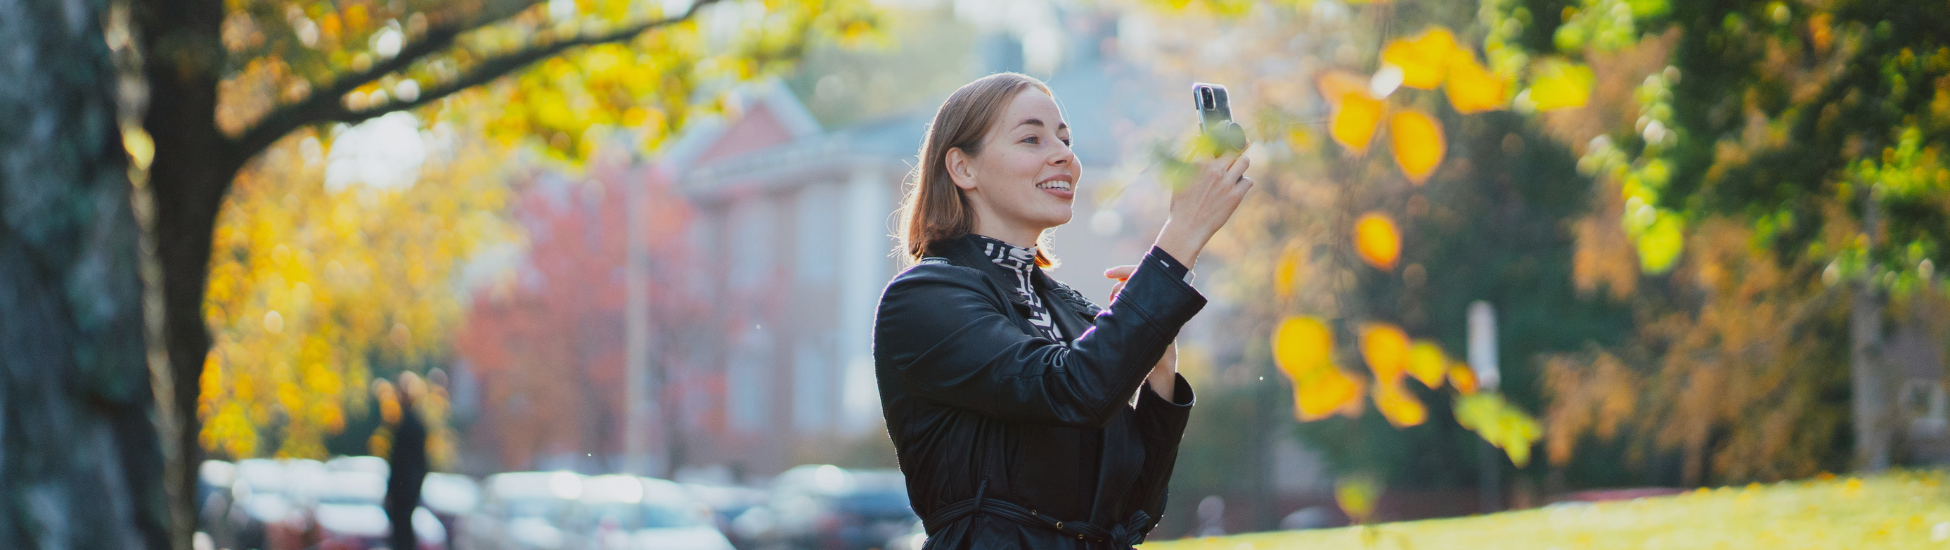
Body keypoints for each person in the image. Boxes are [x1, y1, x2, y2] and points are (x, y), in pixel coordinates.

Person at [873, 72, 1252, 549]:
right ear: (963, 168)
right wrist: (1181, 237)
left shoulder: (1068, 311)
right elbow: (1071, 389)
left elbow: (1134, 509)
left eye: (1065, 140)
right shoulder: (923, 298)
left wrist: (1160, 370)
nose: (1064, 155)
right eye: (1032, 138)